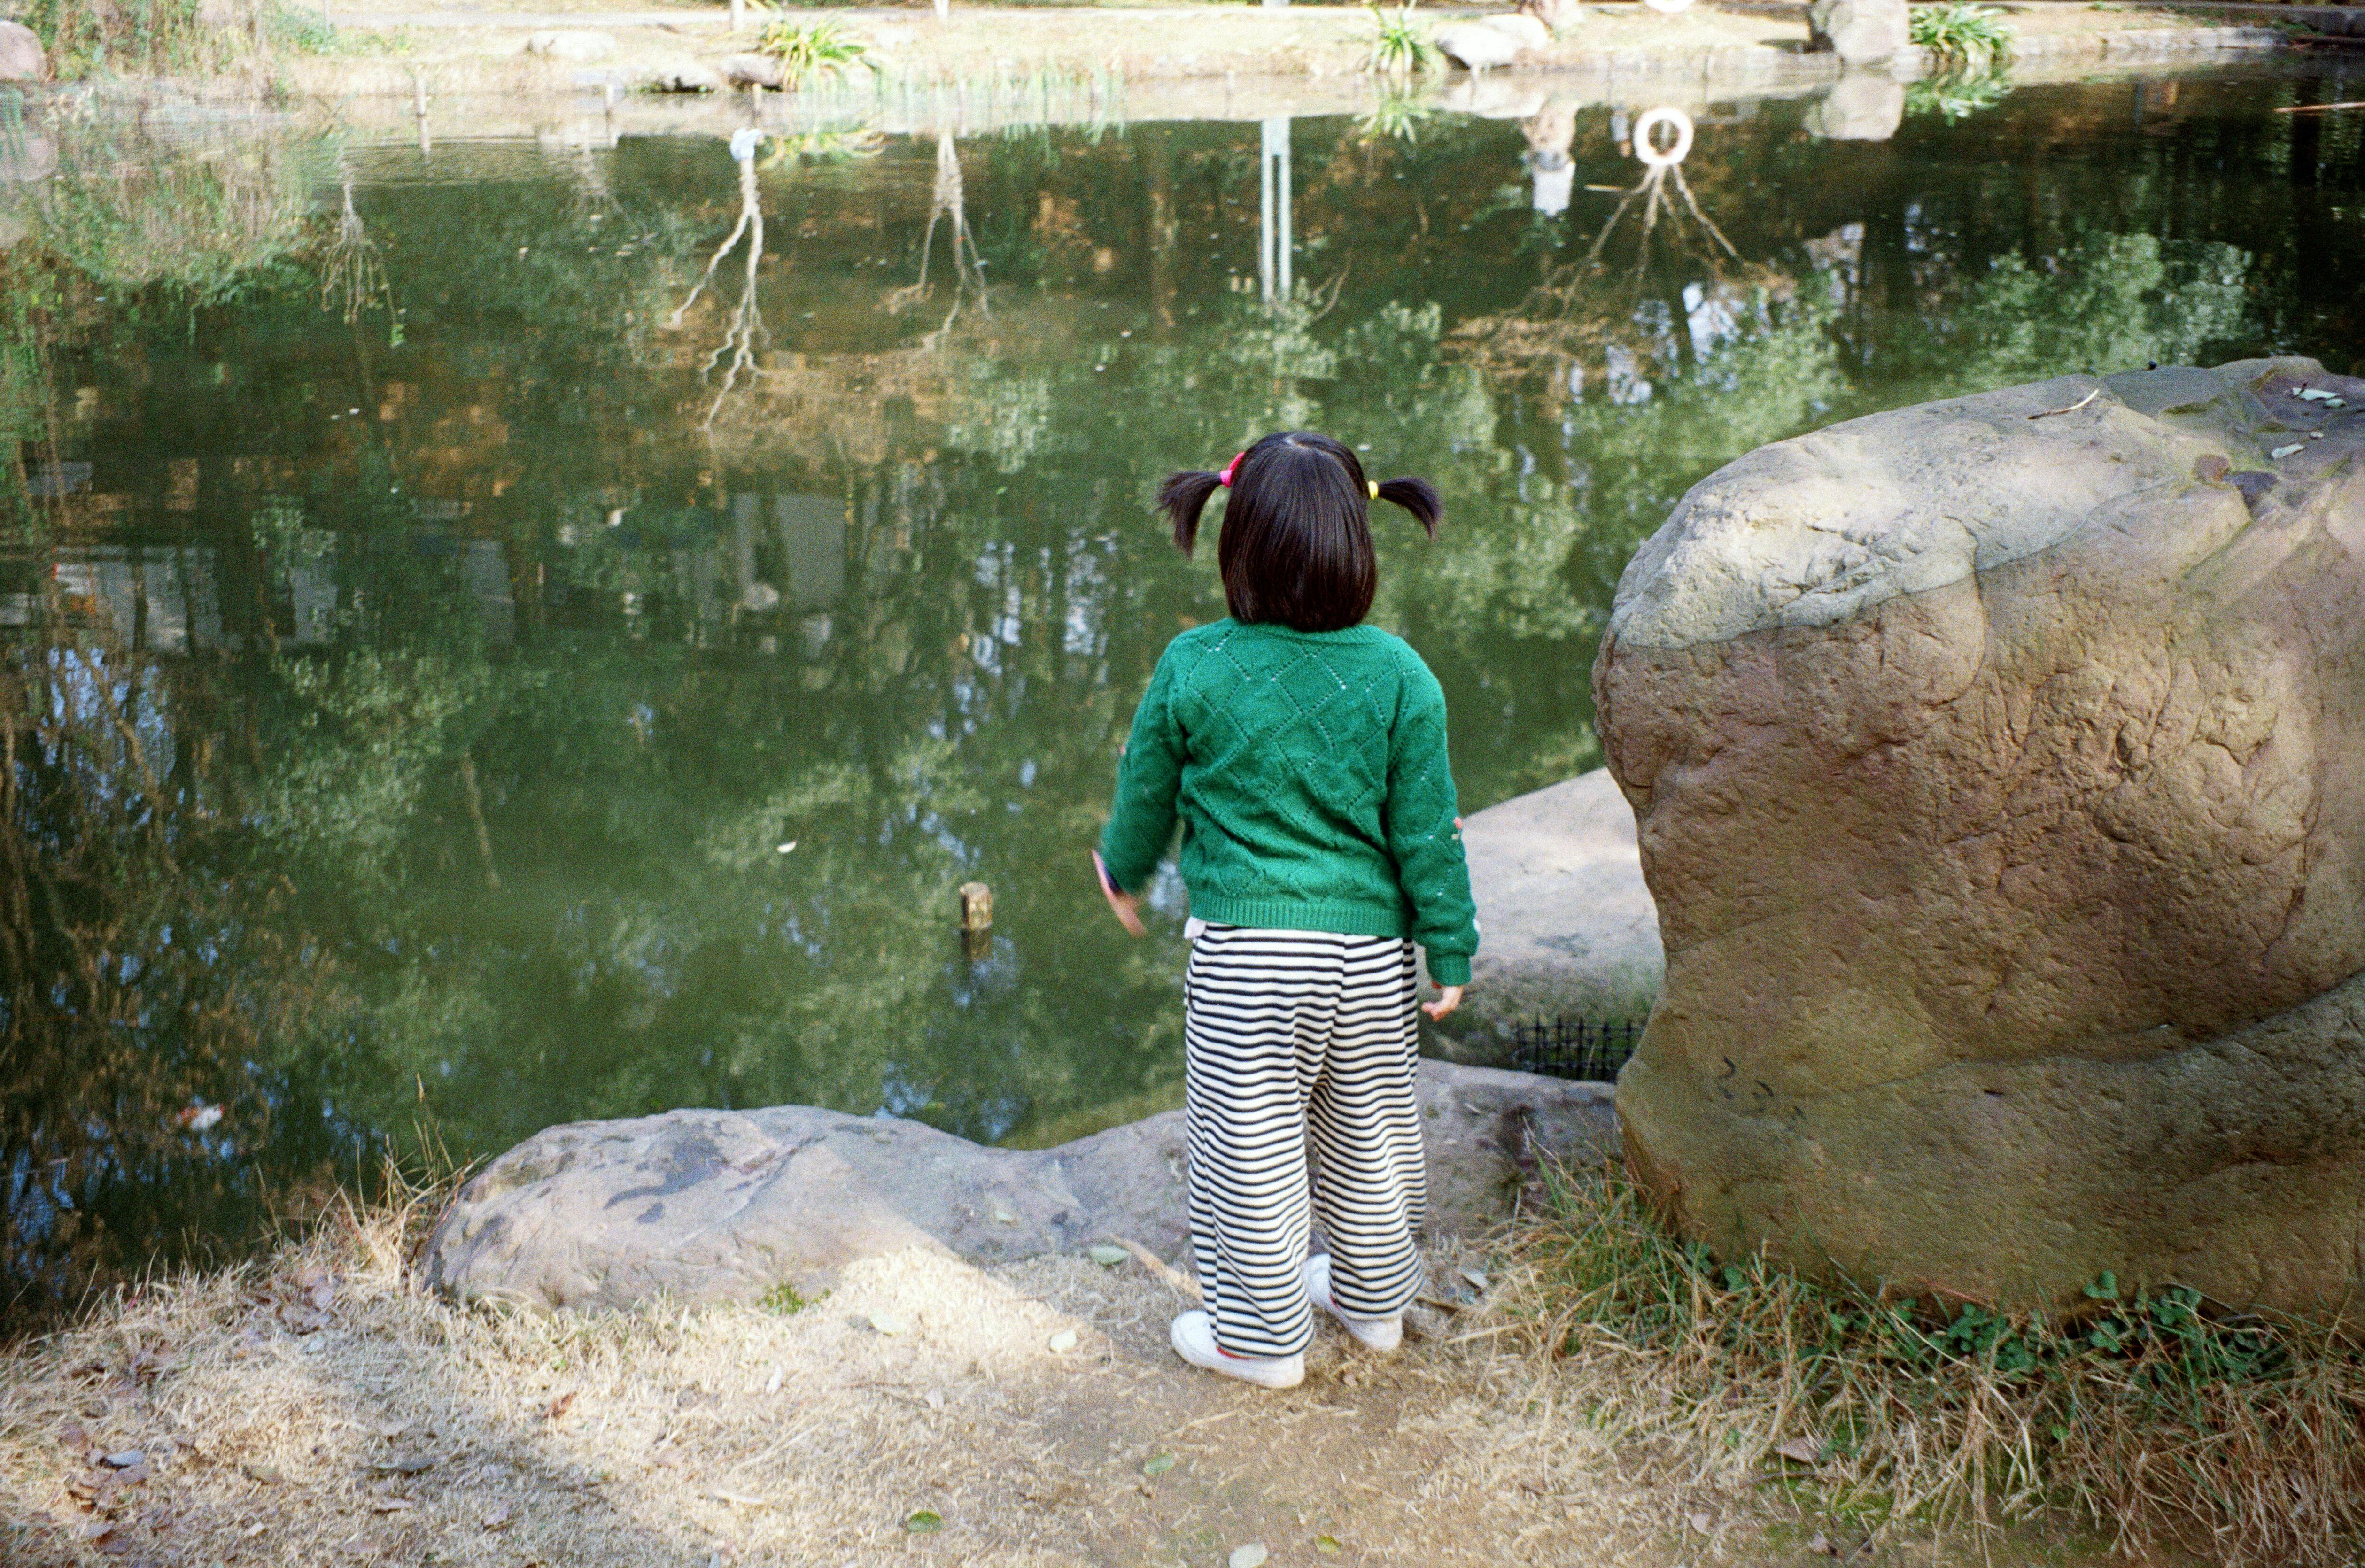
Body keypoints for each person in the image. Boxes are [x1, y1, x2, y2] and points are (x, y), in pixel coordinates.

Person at [1092, 430, 1478, 1390]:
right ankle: (1374, 1302)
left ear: (1239, 548)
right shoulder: (1400, 675)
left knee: (1250, 1146)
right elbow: (1429, 830)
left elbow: (1147, 790)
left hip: (1248, 960)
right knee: (1368, 1131)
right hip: (1368, 956)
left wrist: (1123, 866)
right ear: (1360, 544)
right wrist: (1452, 947)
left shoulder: (1195, 664)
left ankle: (1260, 1341)